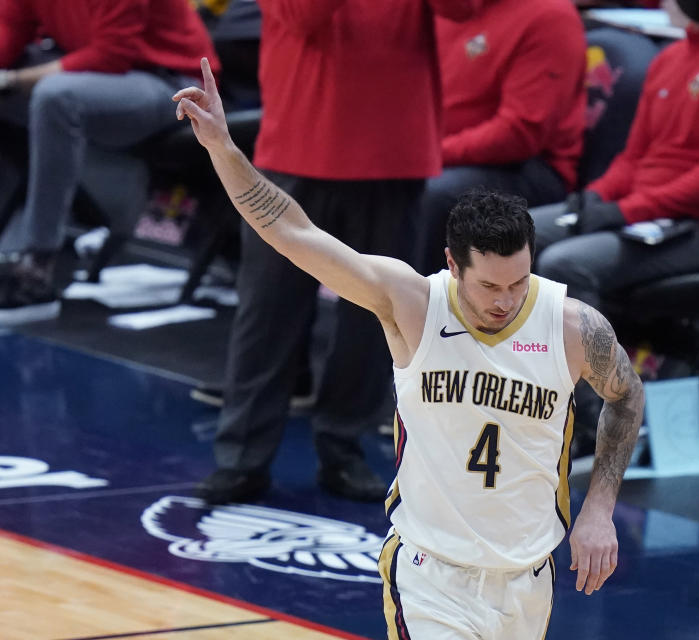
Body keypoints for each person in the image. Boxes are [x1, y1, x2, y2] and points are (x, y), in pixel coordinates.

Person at [175, 57, 645, 637]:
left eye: (518, 282)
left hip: (529, 576)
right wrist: (224, 149)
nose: (506, 301)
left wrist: (599, 507)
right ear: (452, 265)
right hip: (430, 574)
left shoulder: (572, 326)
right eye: (489, 286)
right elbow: (293, 231)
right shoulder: (413, 304)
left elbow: (626, 396)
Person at [194, 0, 482, 505]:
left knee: (379, 317)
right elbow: (304, 16)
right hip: (301, 144)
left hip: (394, 149)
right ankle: (241, 457)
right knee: (268, 312)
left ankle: (344, 447)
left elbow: (465, 9)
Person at [531, 0, 699, 310]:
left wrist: (626, 211)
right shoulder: (670, 58)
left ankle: (590, 359)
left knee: (565, 264)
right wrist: (597, 194)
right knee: (505, 233)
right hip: (646, 212)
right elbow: (635, 157)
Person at [0, 0, 220, 324]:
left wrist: (14, 79)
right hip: (102, 71)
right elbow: (9, 31)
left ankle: (36, 267)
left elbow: (111, 54)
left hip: (173, 83)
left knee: (55, 96)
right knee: (44, 90)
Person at [413, 0, 586, 275]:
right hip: (442, 153)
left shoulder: (550, 16)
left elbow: (520, 133)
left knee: (427, 191)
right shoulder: (447, 9)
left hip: (531, 169)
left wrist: (428, 155)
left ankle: (418, 309)